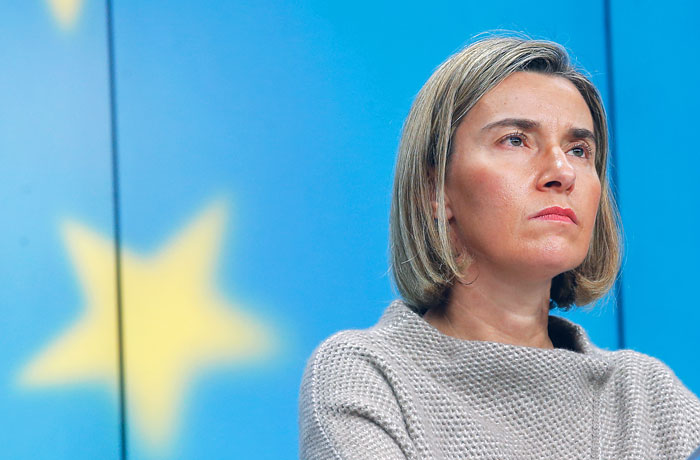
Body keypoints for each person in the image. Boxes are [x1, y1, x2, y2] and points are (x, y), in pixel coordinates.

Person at [298, 36, 700, 459]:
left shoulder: (646, 397)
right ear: (434, 190)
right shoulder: (367, 374)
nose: (562, 172)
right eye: (515, 140)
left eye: (579, 150)